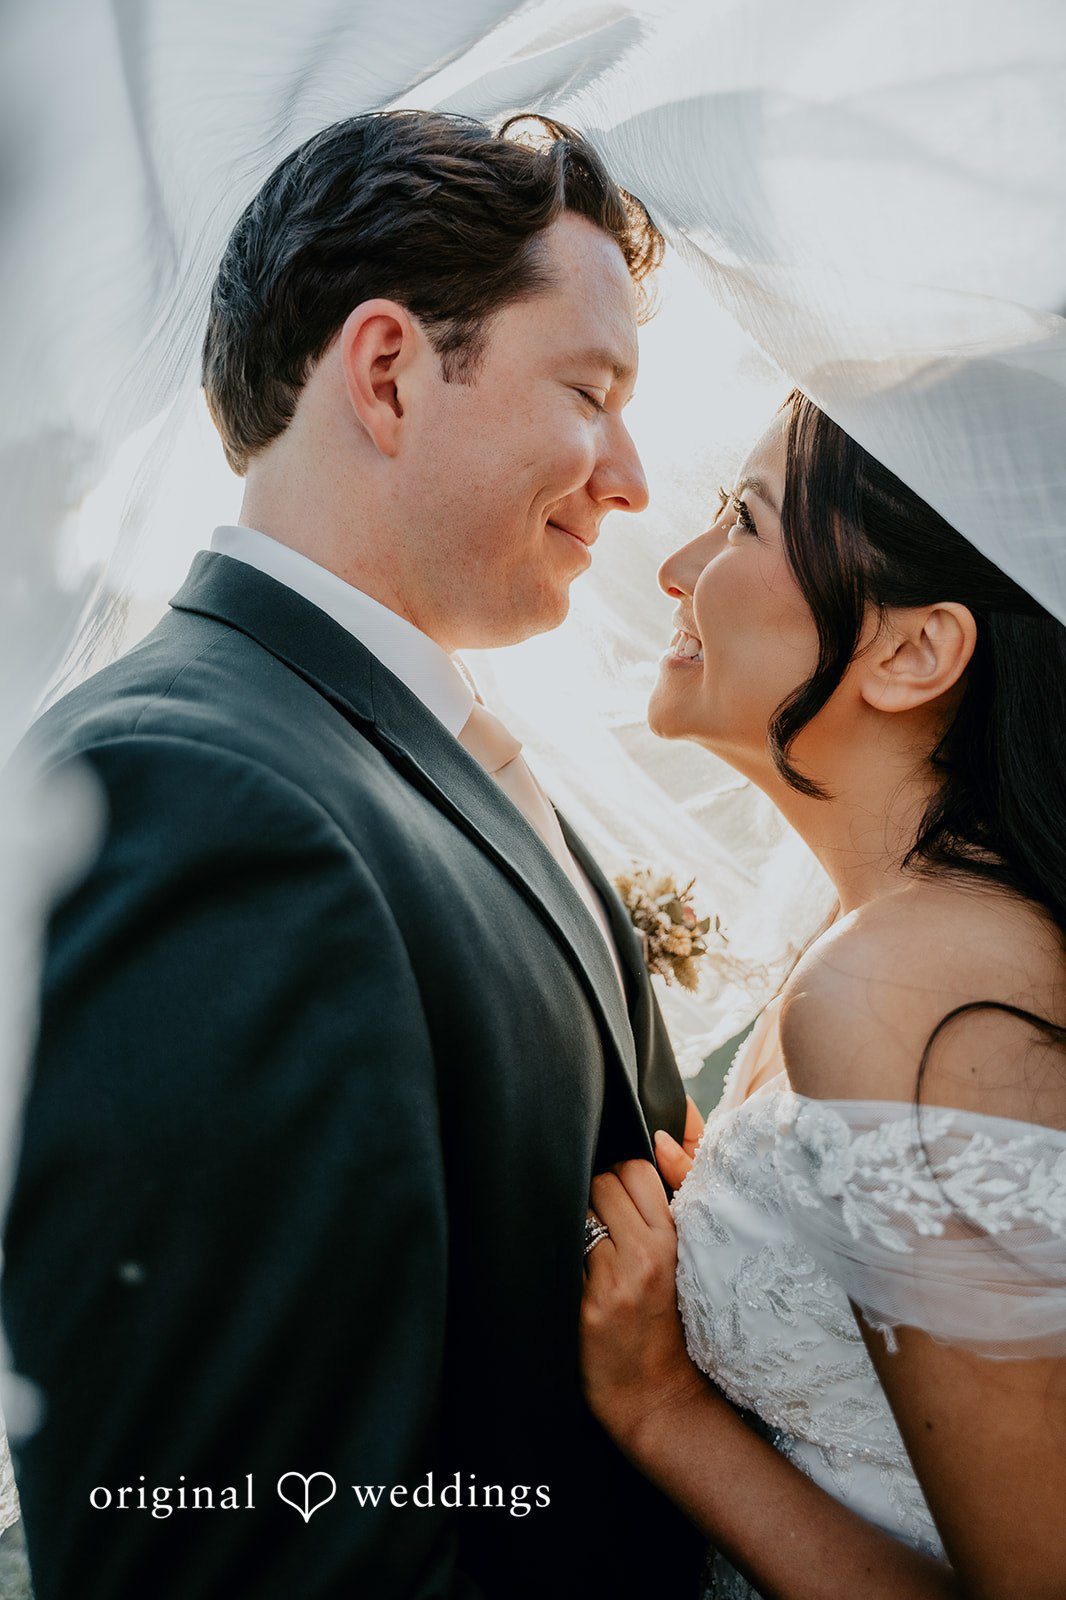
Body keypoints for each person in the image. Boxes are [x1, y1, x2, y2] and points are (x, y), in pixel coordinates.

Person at [2, 110, 707, 1599]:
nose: (631, 478)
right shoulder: (177, 789)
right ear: (387, 372)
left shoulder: (378, 739)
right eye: (590, 389)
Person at [579, 388, 1066, 1598]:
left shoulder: (909, 986)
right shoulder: (871, 930)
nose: (678, 567)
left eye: (741, 523)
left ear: (912, 652)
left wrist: (660, 1407)